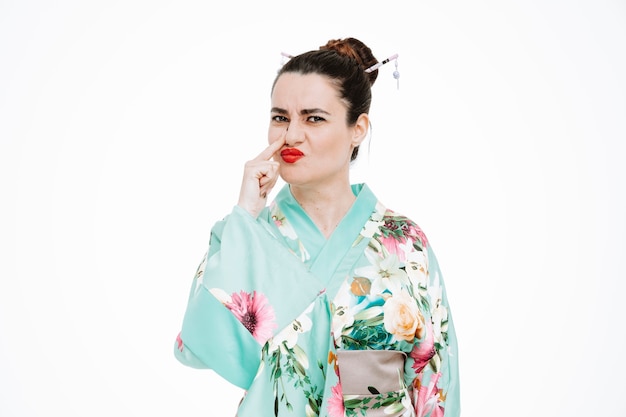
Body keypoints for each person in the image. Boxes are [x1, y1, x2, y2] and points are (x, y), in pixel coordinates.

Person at [174, 37, 460, 417]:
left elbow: (436, 378)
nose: (290, 135)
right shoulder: (251, 234)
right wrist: (244, 215)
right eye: (280, 117)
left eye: (313, 118)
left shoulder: (405, 241)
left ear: (357, 128)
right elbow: (194, 345)